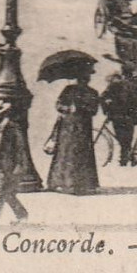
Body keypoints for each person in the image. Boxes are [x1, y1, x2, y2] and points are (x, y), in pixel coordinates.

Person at [45, 62, 101, 195]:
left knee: (81, 155)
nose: (84, 80)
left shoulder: (92, 92)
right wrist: (68, 108)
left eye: (86, 77)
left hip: (83, 128)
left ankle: (83, 184)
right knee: (64, 153)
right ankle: (59, 182)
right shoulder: (69, 90)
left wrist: (81, 108)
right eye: (82, 77)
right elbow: (59, 105)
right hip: (67, 126)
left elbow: (93, 110)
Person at [0, 99, 33, 226]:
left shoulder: (13, 129)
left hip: (9, 166)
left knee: (0, 192)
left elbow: (21, 150)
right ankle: (22, 215)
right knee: (7, 193)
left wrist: (19, 166)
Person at [100, 72, 137, 166]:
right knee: (126, 141)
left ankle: (125, 161)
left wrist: (107, 111)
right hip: (129, 117)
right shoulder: (130, 85)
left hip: (118, 117)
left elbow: (102, 98)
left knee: (123, 141)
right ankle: (130, 159)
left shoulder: (113, 86)